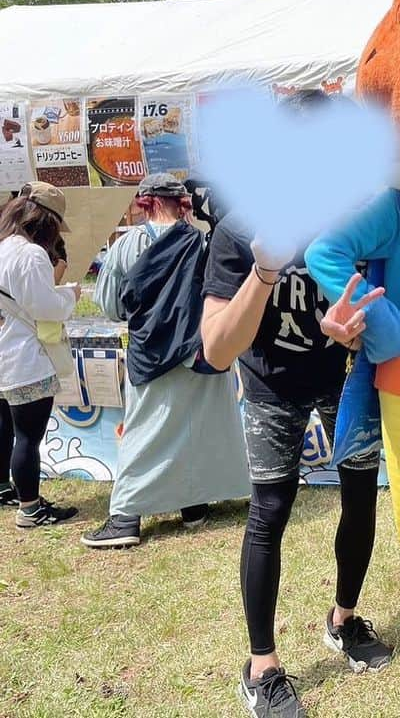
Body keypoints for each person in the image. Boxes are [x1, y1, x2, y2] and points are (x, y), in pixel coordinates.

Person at [200, 93, 400, 718]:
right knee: (270, 508)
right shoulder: (238, 228)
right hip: (269, 385)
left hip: (345, 378)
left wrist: (359, 328)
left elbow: (385, 310)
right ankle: (262, 665)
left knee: (362, 497)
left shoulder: (361, 222)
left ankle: (343, 618)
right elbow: (216, 348)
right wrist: (263, 273)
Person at [81, 174, 250, 548]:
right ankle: (194, 506)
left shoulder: (126, 245)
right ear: (180, 203)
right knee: (202, 429)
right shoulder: (204, 242)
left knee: (144, 432)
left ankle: (126, 518)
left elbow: (109, 305)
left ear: (148, 202)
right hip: (198, 350)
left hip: (151, 352)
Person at [0, 182, 79, 526]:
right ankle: (30, 508)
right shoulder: (30, 255)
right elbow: (45, 307)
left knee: (5, 427)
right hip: (26, 357)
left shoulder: (3, 248)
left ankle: (5, 488)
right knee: (28, 438)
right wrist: (71, 295)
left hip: (4, 354)